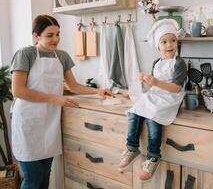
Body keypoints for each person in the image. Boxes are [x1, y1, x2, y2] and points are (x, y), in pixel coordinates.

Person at [10, 15, 112, 189]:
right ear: (36, 36)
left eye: (58, 34)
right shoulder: (25, 54)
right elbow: (18, 91)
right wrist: (55, 98)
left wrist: (97, 91)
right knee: (33, 181)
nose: (56, 39)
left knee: (44, 179)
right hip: (28, 123)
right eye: (49, 35)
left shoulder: (62, 56)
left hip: (49, 124)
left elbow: (74, 86)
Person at [117, 19, 187, 181]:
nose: (169, 44)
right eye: (164, 41)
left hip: (171, 98)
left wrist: (155, 82)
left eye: (173, 40)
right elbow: (153, 87)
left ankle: (153, 156)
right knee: (135, 110)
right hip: (156, 94)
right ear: (158, 46)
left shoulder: (179, 63)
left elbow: (176, 88)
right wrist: (147, 82)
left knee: (153, 116)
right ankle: (132, 147)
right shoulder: (156, 62)